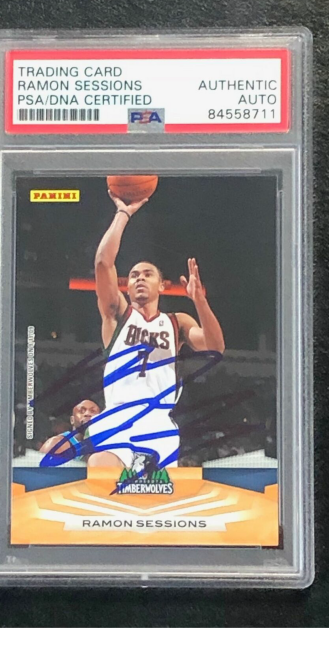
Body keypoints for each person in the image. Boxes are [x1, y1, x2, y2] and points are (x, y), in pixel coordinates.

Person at [87, 189, 225, 470]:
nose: (139, 278)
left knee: (155, 494)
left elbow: (215, 348)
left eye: (147, 274)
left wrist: (200, 301)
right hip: (118, 416)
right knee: (101, 468)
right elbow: (103, 263)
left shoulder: (178, 322)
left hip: (158, 422)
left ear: (162, 285)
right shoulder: (118, 314)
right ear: (127, 286)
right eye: (134, 275)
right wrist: (123, 214)